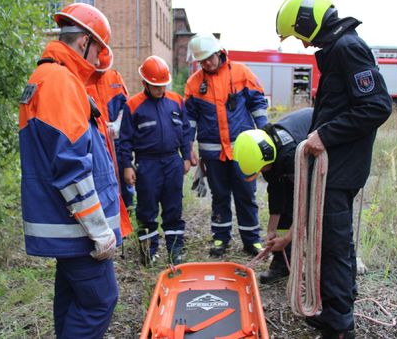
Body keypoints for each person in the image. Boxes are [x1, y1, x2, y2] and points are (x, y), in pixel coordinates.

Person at [275, 0, 393, 339]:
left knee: (332, 246)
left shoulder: (347, 49)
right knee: (332, 243)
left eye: (299, 34)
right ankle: (335, 308)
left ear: (308, 22)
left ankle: (339, 324)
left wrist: (324, 136)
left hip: (338, 171)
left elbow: (377, 106)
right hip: (337, 169)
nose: (301, 42)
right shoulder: (339, 50)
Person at [19, 3, 124, 338]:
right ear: (84, 43)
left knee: (71, 298)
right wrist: (99, 230)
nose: (96, 65)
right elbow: (72, 168)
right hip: (76, 228)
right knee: (100, 300)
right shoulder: (60, 82)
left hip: (63, 224)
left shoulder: (46, 78)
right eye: (97, 55)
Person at [185, 33, 269, 257]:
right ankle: (221, 238)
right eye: (201, 61)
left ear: (219, 52)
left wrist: (265, 135)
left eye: (209, 59)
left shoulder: (241, 73)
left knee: (246, 194)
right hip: (213, 154)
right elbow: (189, 121)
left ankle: (252, 240)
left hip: (243, 151)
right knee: (219, 195)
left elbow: (258, 105)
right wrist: (187, 151)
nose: (206, 64)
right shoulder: (194, 83)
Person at [119, 55, 191, 266]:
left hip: (172, 162)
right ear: (145, 83)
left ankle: (175, 250)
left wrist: (186, 156)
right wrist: (126, 166)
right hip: (146, 164)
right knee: (146, 210)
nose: (161, 90)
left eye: (163, 85)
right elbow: (125, 141)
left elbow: (185, 131)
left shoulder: (176, 101)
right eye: (156, 86)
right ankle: (148, 252)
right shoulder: (133, 106)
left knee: (173, 208)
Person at [233, 107, 313, 284]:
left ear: (267, 159)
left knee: (322, 216)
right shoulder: (266, 151)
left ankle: (322, 270)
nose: (262, 172)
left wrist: (286, 238)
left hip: (326, 152)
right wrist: (271, 230)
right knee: (284, 208)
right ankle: (282, 264)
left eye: (261, 169)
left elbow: (308, 201)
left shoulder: (292, 157)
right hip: (293, 161)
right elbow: (276, 192)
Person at [86, 53, 135, 211]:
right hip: (96, 140)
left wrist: (118, 124)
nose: (100, 73)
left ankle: (127, 208)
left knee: (122, 174)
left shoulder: (115, 78)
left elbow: (125, 106)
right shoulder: (83, 79)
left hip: (117, 140)